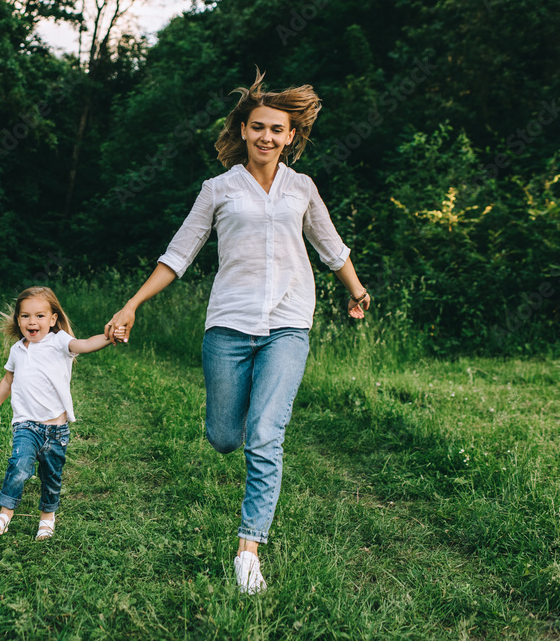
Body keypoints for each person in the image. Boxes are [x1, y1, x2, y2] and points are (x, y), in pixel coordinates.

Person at [104, 71, 371, 594]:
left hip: (289, 323)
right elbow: (178, 253)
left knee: (267, 433)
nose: (267, 137)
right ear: (243, 131)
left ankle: (249, 552)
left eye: (277, 129)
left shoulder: (302, 188)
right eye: (258, 128)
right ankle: (252, 430)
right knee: (226, 437)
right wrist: (132, 303)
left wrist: (356, 290)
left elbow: (331, 246)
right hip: (228, 325)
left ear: (291, 136)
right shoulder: (218, 189)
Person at [0, 286, 123, 540]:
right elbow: (8, 380)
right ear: (18, 320)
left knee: (51, 476)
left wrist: (108, 337)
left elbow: (85, 344)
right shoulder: (17, 350)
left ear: (52, 318)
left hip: (56, 430)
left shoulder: (59, 342)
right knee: (18, 465)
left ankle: (47, 517)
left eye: (40, 316)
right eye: (25, 316)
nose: (32, 322)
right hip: (26, 425)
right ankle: (4, 514)